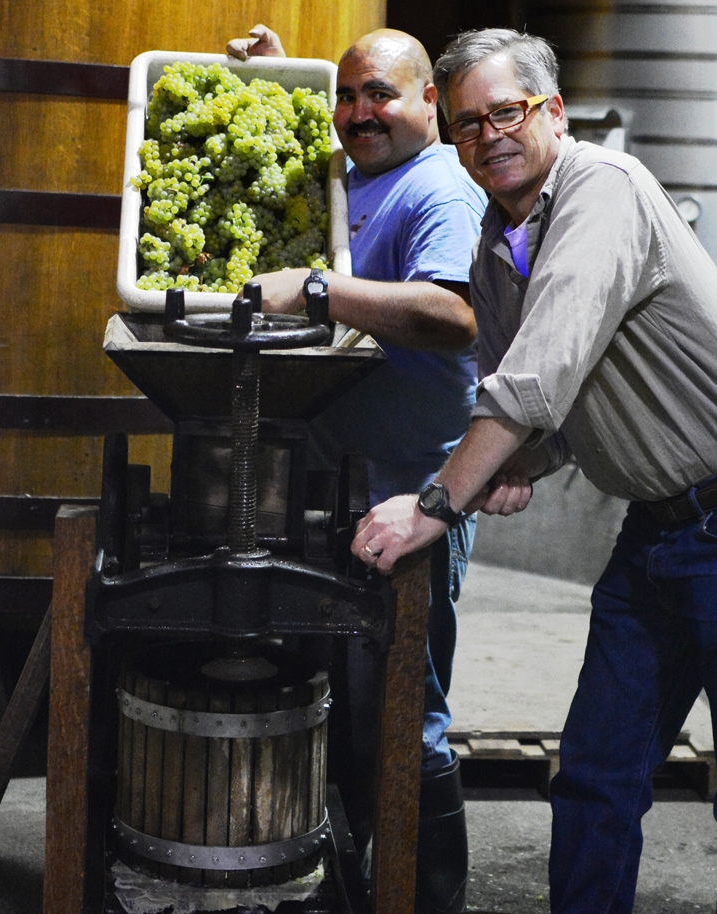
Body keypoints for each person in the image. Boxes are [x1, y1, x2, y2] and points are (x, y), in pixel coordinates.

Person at [351, 27, 717, 914]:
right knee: (595, 777)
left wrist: (435, 505)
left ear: (554, 112)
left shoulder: (602, 191)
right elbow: (542, 409)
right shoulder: (496, 249)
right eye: (467, 123)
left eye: (508, 111)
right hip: (659, 526)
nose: (488, 135)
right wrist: (516, 462)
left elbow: (533, 380)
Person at [227, 26, 487, 914]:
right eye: (346, 97)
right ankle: (354, 882)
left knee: (408, 707)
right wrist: (281, 80)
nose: (358, 113)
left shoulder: (442, 186)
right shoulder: (369, 178)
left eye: (380, 94)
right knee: (352, 696)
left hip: (416, 488)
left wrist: (315, 290)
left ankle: (427, 896)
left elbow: (453, 316)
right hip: (347, 479)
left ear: (430, 104)